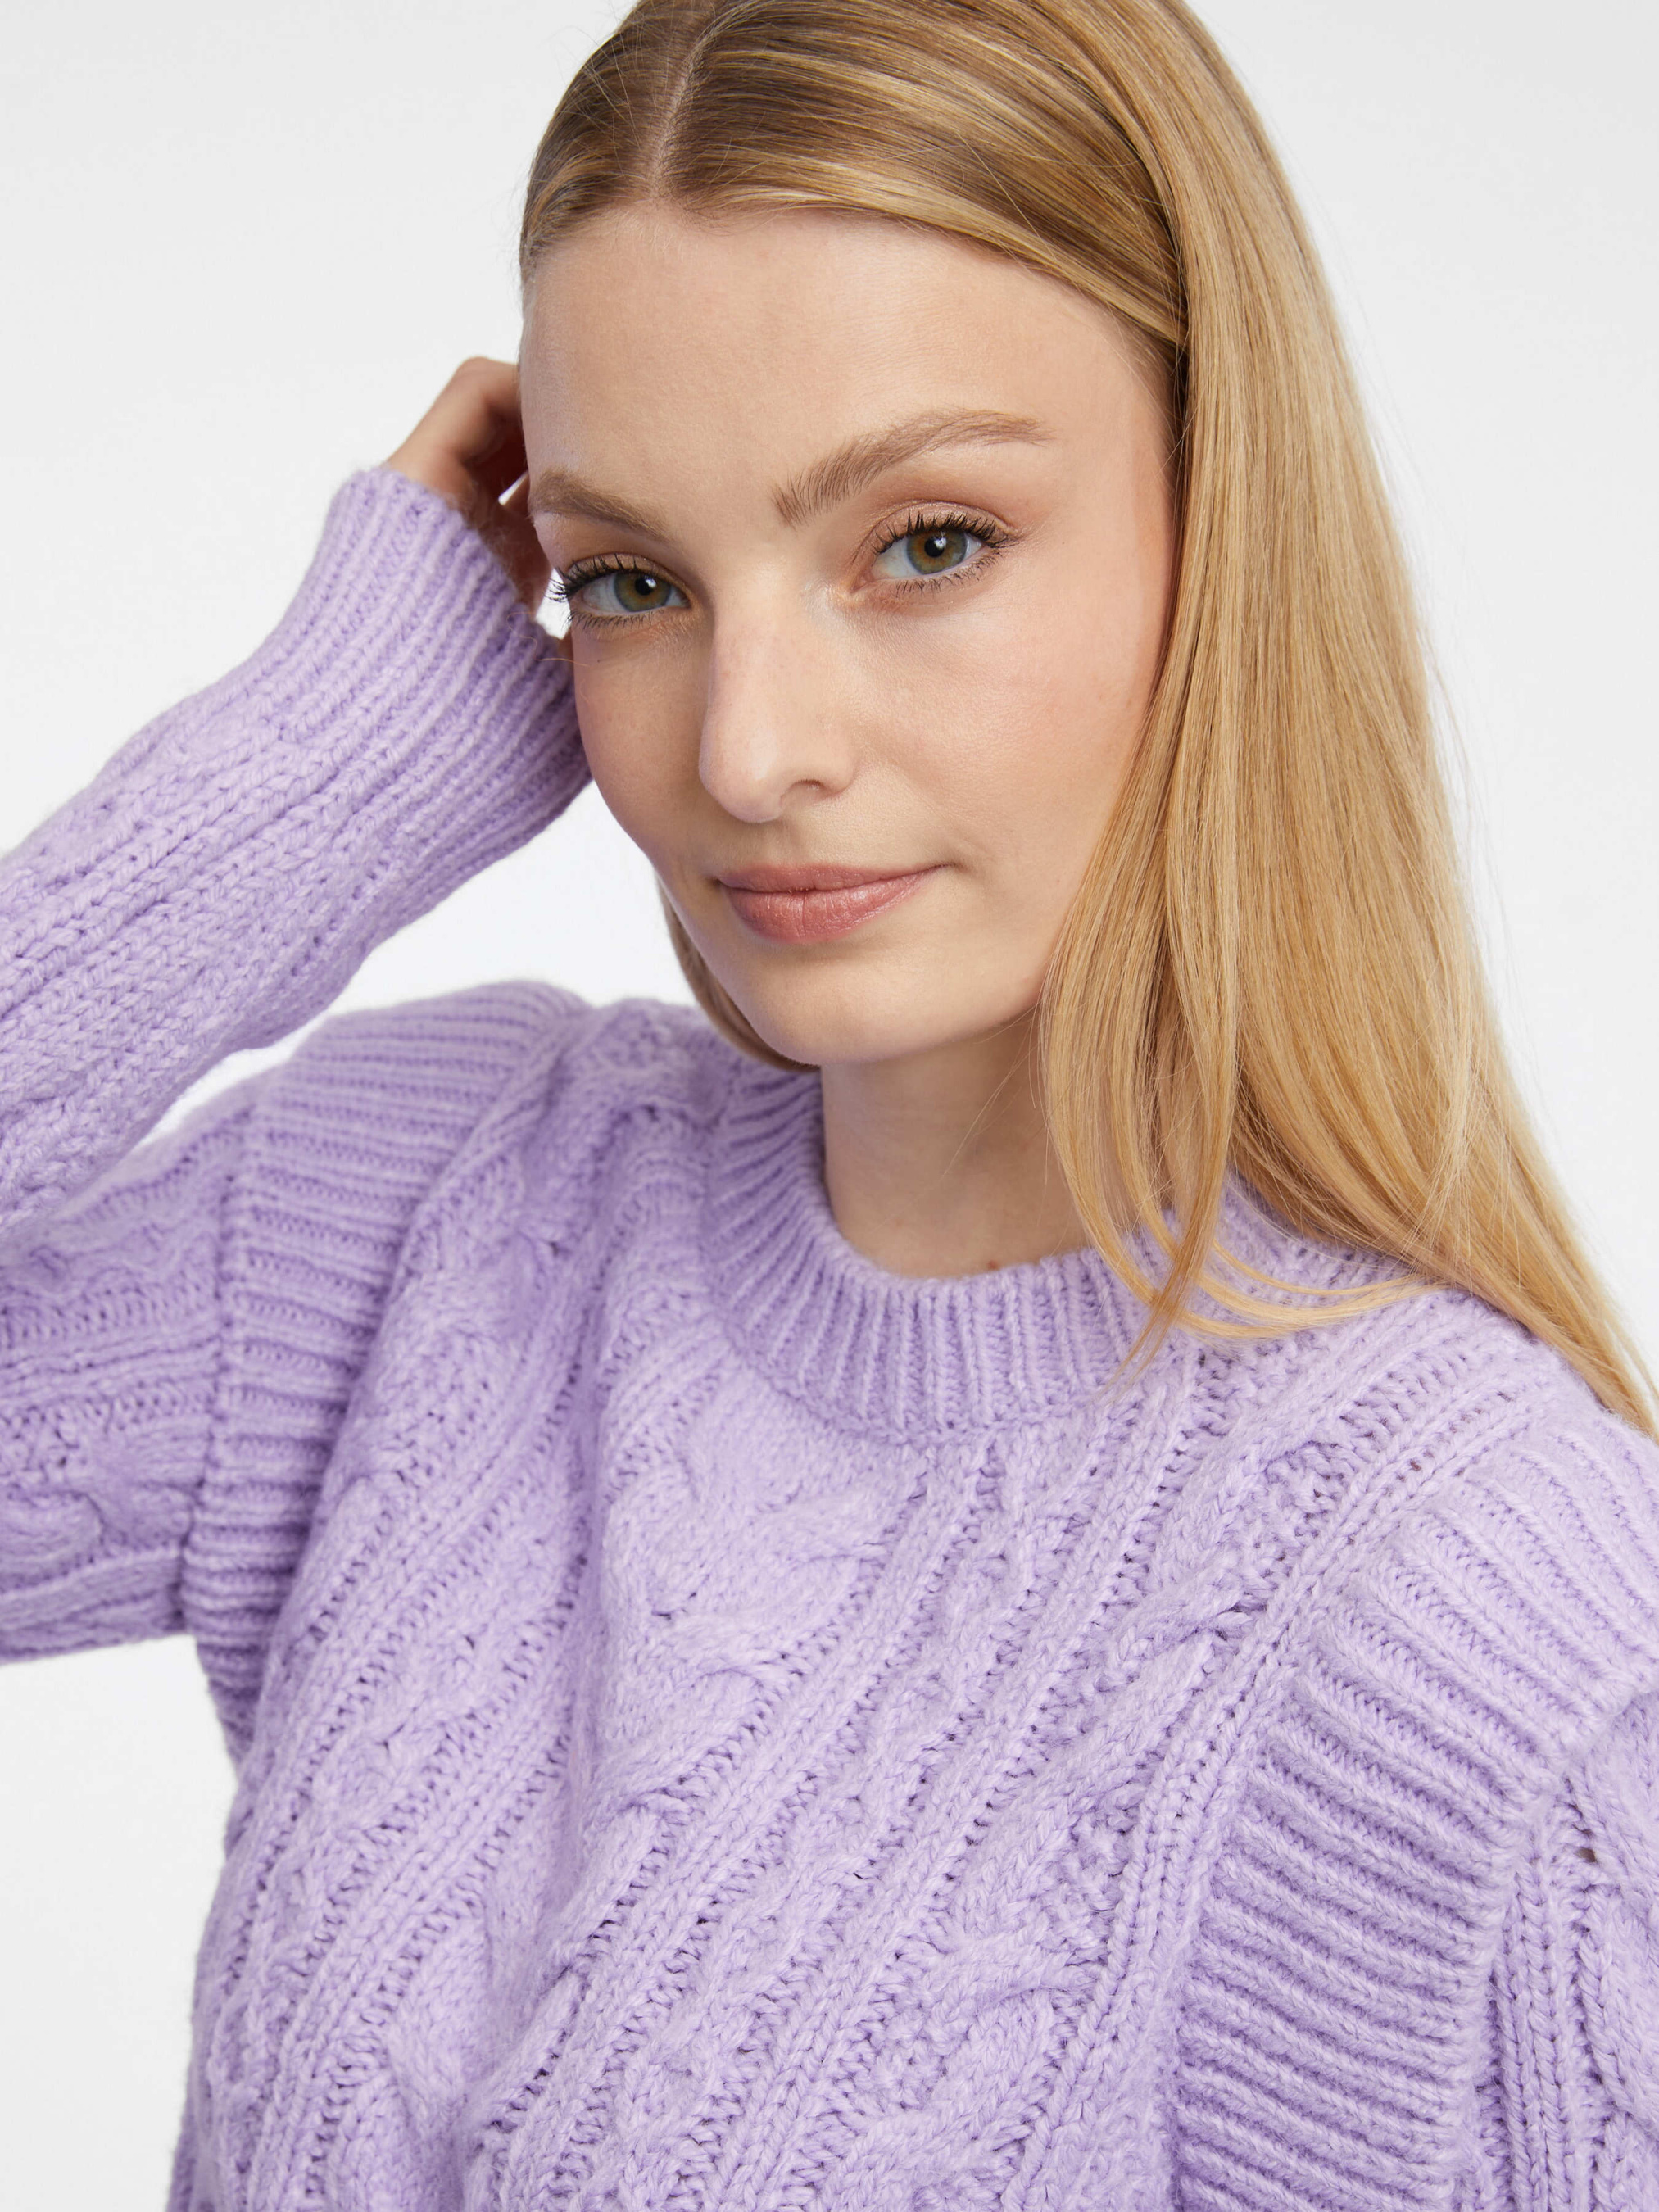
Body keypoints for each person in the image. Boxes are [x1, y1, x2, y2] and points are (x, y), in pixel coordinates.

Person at [2, 0, 1656, 2203]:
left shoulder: (1476, 1617)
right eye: (632, 582)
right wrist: (303, 780)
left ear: (1226, 528)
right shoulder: (428, 1204)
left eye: (928, 541)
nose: (749, 748)